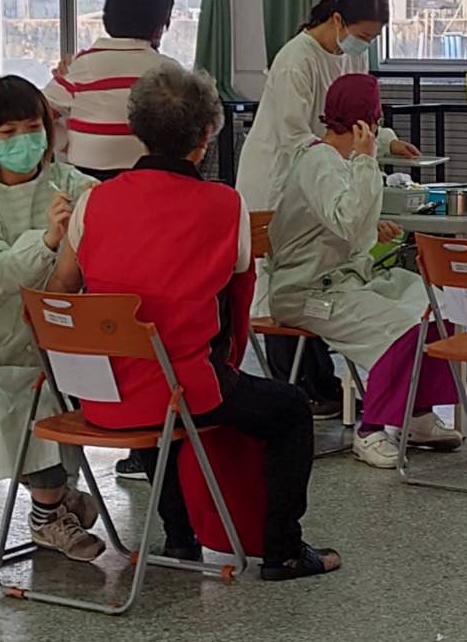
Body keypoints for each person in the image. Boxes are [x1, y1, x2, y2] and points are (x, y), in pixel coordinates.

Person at [46, 64, 340, 581]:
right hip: (182, 391)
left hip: (101, 396)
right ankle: (283, 549)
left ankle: (179, 538)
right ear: (205, 137)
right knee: (288, 407)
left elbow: (59, 299)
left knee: (159, 387)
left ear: (137, 129)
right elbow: (238, 309)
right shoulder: (226, 206)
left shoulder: (93, 202)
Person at [236, 0, 419, 412]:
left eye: (373, 39)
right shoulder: (295, 60)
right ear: (337, 20)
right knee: (286, 277)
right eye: (363, 35)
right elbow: (297, 135)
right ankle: (299, 386)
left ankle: (321, 382)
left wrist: (384, 141)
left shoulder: (350, 55)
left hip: (326, 168)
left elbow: (352, 115)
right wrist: (350, 161)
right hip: (282, 178)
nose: (365, 45)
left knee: (328, 272)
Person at [267, 74, 460, 469]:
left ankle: (418, 414)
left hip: (346, 281)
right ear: (369, 122)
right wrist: (367, 162)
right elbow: (347, 220)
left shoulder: (339, 161)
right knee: (399, 328)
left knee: (437, 306)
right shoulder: (320, 161)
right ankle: (370, 430)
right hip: (306, 293)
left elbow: (343, 229)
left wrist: (375, 230)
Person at [0, 75, 102, 560]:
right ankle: (49, 512)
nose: (22, 141)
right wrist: (49, 242)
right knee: (15, 407)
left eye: (32, 127)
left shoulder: (70, 182)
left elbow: (111, 219)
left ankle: (55, 502)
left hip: (60, 340)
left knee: (77, 396)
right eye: (7, 132)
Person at [43, 0, 181, 484]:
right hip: (147, 206)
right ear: (160, 22)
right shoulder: (164, 71)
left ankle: (90, 415)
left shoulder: (81, 64)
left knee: (88, 311)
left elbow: (43, 111)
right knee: (144, 319)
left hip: (85, 203)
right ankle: (143, 441)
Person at [43, 0, 180, 181]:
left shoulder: (83, 65)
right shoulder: (168, 71)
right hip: (150, 179)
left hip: (86, 179)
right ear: (160, 28)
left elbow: (38, 113)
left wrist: (68, 141)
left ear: (108, 19)